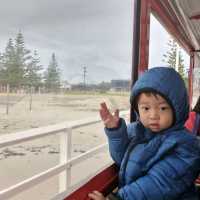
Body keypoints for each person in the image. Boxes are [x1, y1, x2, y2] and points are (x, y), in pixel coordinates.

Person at [88, 67, 200, 200]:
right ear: (137, 109)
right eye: (146, 108)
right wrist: (115, 132)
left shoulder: (186, 145)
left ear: (177, 109)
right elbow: (121, 158)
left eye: (163, 108)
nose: (153, 115)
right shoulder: (136, 131)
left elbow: (159, 183)